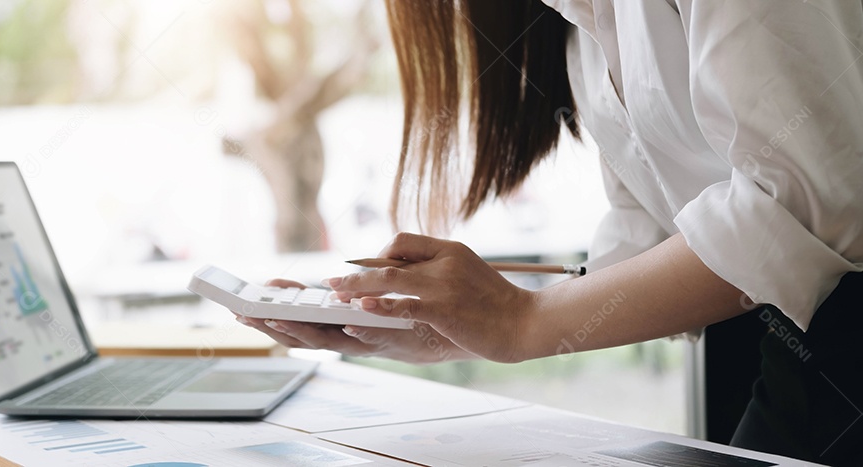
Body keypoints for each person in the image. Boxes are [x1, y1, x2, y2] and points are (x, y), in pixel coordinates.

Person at [233, 1, 863, 464]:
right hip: (786, 333)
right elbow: (651, 237)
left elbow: (804, 204)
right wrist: (450, 329)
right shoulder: (579, 35)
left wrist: (520, 320)